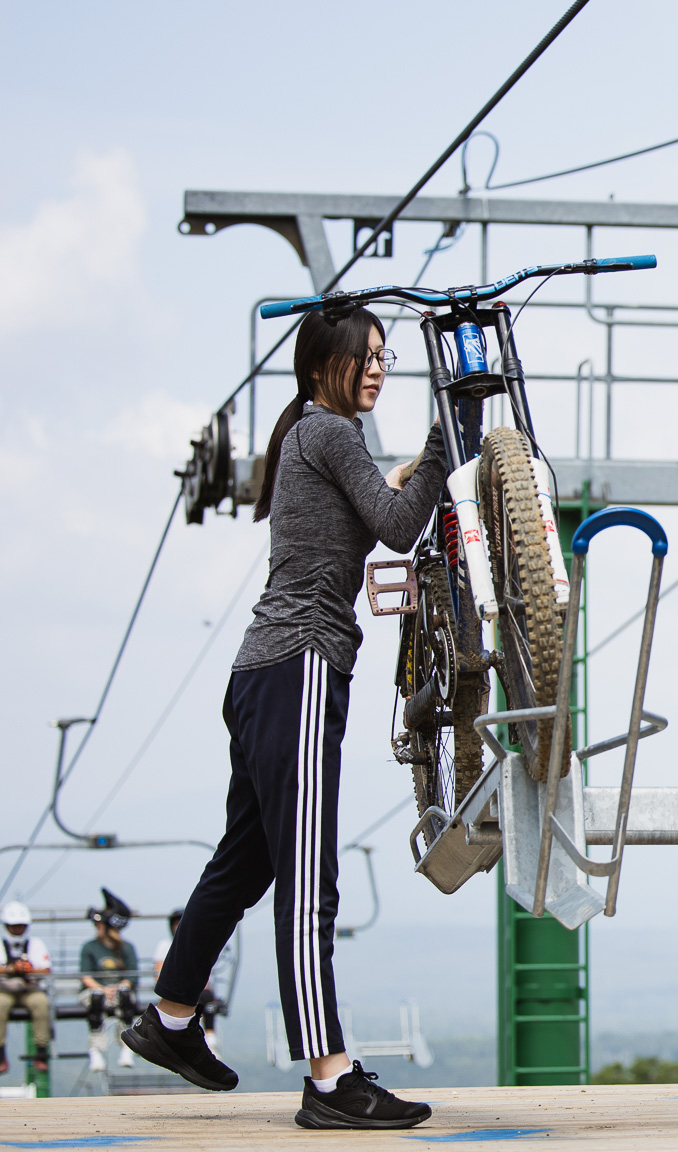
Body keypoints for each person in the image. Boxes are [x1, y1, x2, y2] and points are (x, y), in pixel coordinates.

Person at [122, 305, 447, 1130]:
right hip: (300, 666)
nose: (378, 369)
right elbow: (398, 528)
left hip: (262, 671)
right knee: (308, 880)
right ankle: (330, 1081)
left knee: (246, 862)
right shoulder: (333, 433)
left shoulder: (311, 432)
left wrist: (408, 469)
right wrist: (453, 430)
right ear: (319, 366)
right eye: (364, 358)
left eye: (385, 356)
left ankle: (168, 1020)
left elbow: (374, 509)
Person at [0, 901, 51, 1076]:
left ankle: (41, 1053)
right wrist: (11, 969)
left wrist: (28, 969)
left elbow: (45, 969)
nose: (17, 930)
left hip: (30, 990)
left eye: (20, 926)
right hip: (4, 990)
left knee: (41, 1003)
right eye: (14, 927)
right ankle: (1, 1053)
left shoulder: (35, 944)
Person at [79, 889, 139, 1073]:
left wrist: (120, 986)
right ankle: (96, 1048)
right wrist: (103, 989)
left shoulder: (126, 948)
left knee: (125, 996)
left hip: (119, 991)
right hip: (97, 992)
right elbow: (86, 976)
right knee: (96, 997)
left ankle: (126, 1044)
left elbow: (132, 976)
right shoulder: (89, 948)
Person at [153, 909, 222, 1054]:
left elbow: (204, 975)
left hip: (193, 987)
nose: (179, 926)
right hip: (173, 986)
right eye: (176, 923)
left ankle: (209, 1037)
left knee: (207, 996)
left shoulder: (196, 946)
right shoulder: (165, 946)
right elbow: (158, 973)